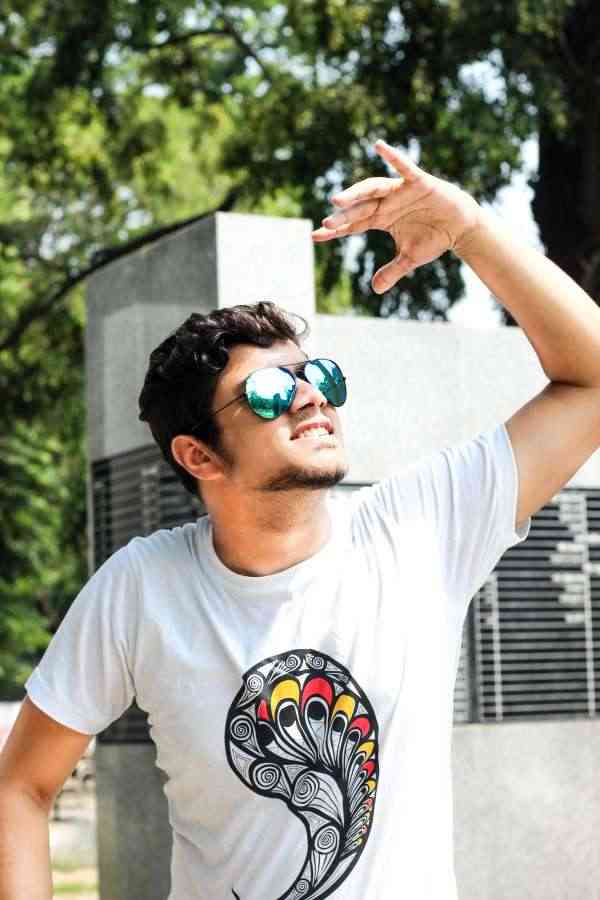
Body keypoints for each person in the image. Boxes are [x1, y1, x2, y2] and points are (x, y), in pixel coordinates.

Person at [2, 138, 600, 900]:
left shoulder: (417, 528)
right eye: (270, 393)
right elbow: (20, 786)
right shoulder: (142, 588)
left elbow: (591, 379)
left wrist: (471, 231)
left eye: (316, 376)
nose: (311, 397)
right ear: (199, 455)